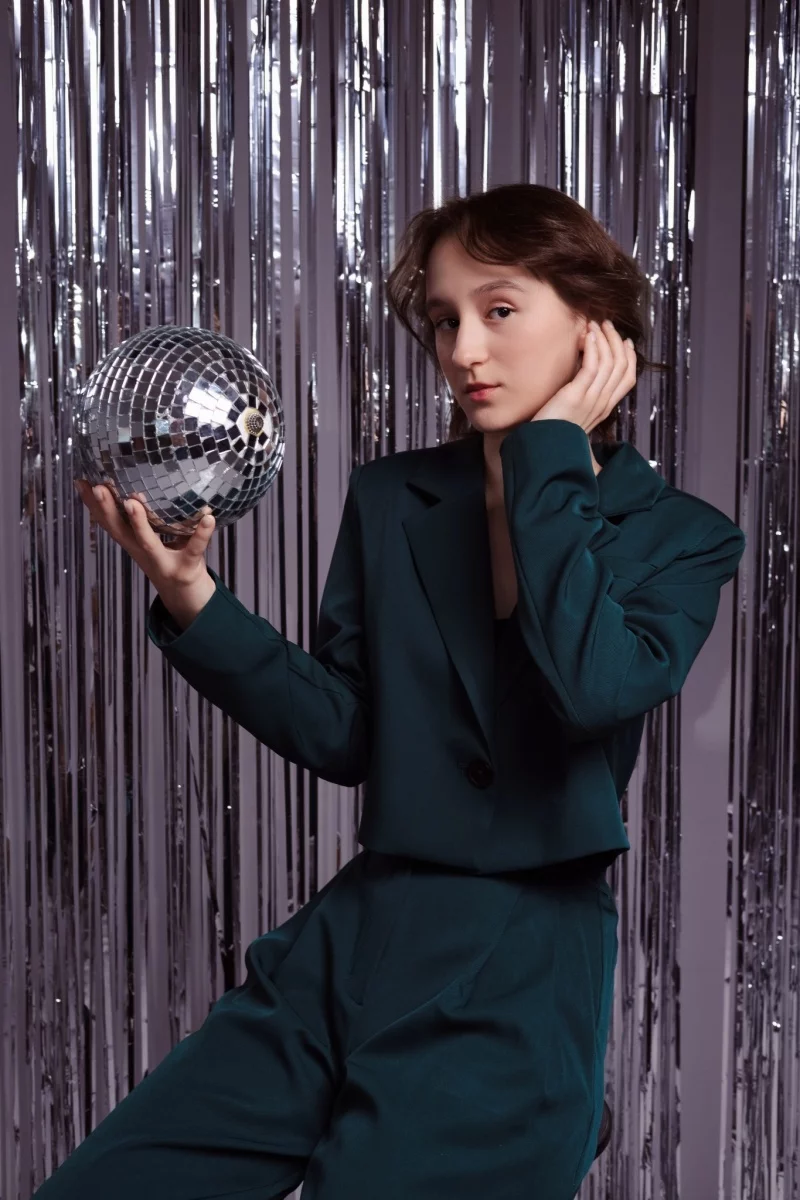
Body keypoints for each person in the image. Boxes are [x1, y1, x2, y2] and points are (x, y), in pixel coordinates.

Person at [36, 183, 745, 1199]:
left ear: (595, 327)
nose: (464, 350)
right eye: (446, 319)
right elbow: (346, 732)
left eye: (499, 310)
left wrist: (547, 457)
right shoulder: (393, 497)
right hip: (352, 937)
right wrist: (192, 593)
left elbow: (594, 689)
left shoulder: (680, 536)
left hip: (518, 968)